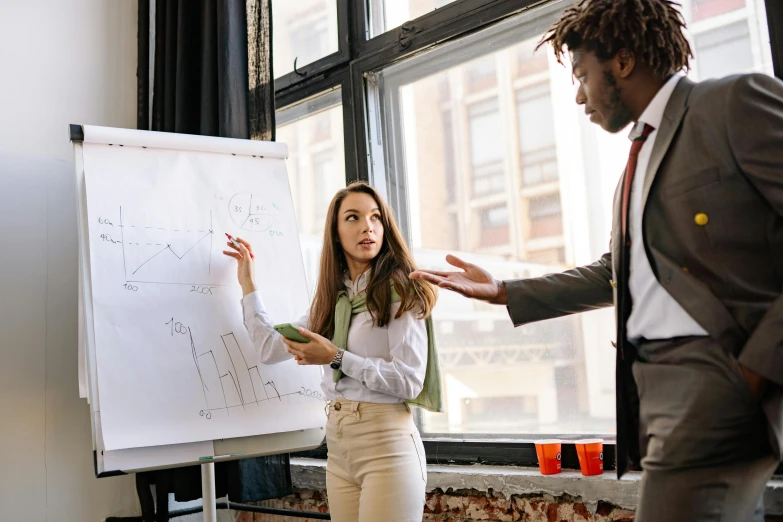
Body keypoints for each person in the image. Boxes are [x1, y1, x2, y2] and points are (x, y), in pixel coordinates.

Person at [410, 0, 783, 520]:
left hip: (716, 378)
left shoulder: (731, 103)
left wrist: (755, 370)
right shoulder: (636, 163)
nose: (580, 95)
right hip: (654, 390)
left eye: (583, 75)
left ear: (623, 62)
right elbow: (615, 272)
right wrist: (506, 292)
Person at [223, 180, 440, 522]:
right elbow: (268, 348)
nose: (367, 226)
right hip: (339, 446)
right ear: (336, 233)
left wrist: (336, 356)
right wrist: (247, 282)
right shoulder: (333, 299)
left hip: (387, 444)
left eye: (375, 217)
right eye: (353, 217)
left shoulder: (401, 290)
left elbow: (409, 382)